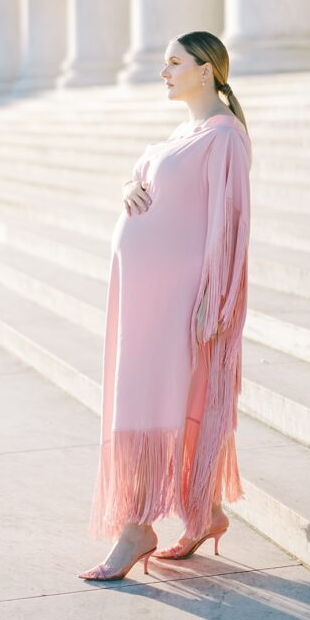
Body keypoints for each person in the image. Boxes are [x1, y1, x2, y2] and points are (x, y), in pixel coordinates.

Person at [78, 30, 252, 581]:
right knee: (141, 394)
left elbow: (229, 226)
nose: (165, 71)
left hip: (178, 301)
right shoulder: (185, 131)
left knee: (152, 399)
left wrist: (214, 299)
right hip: (142, 298)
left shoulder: (224, 136)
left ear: (207, 70)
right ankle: (206, 513)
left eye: (175, 62)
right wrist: (127, 187)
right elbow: (146, 176)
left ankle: (136, 527)